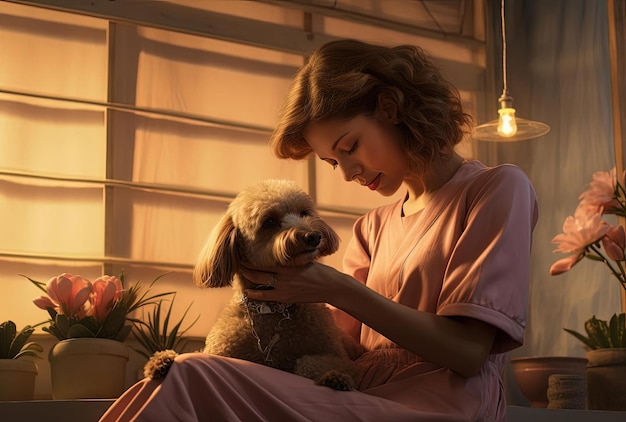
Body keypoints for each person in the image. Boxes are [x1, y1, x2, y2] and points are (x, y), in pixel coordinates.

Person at [99, 39, 538, 422]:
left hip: (441, 405)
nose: (347, 172)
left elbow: (467, 351)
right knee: (183, 373)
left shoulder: (496, 189)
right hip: (354, 393)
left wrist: (336, 288)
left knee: (194, 376)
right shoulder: (373, 226)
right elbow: (341, 350)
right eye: (333, 161)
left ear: (390, 107)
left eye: (349, 147)